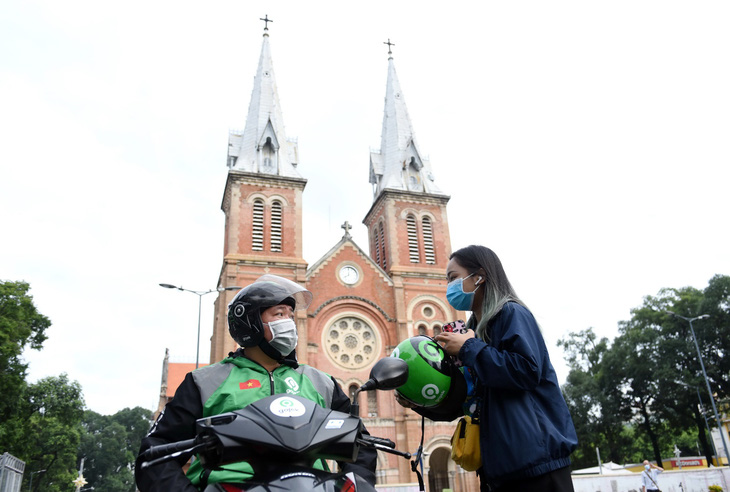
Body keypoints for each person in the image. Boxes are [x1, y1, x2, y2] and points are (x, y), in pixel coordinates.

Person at [136, 274, 377, 491]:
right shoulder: (204, 382)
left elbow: (361, 444)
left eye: (291, 316)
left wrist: (354, 485)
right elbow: (157, 452)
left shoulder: (320, 382)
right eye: (279, 314)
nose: (290, 324)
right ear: (249, 323)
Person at [398, 245, 578, 492]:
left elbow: (525, 371)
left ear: (479, 276)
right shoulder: (471, 330)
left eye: (453, 277)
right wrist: (417, 401)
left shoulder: (512, 313)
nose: (448, 286)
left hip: (536, 466)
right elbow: (465, 402)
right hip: (497, 471)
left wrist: (468, 348)